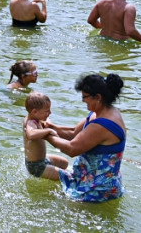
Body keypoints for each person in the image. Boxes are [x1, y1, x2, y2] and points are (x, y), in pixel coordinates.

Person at [46, 73, 127, 202]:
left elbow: (72, 149)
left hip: (97, 190)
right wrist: (51, 127)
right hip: (87, 178)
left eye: (85, 97)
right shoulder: (101, 112)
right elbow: (73, 133)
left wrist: (46, 135)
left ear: (98, 97)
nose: (83, 100)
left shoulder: (103, 125)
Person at [22, 92, 69, 180]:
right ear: (35, 112)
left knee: (64, 163)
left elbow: (47, 121)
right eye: (47, 111)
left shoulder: (36, 119)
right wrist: (48, 131)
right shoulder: (30, 122)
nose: (50, 113)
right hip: (36, 167)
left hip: (43, 160)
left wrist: (48, 123)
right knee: (66, 177)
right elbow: (31, 134)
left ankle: (57, 180)